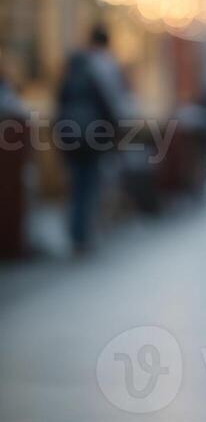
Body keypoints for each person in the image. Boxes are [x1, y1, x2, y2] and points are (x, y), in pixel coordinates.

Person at [54, 24, 128, 253]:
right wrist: (114, 131)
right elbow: (109, 105)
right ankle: (86, 232)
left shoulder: (70, 74)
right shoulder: (104, 68)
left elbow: (59, 104)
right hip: (94, 137)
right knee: (91, 183)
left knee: (75, 184)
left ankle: (75, 232)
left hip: (69, 137)